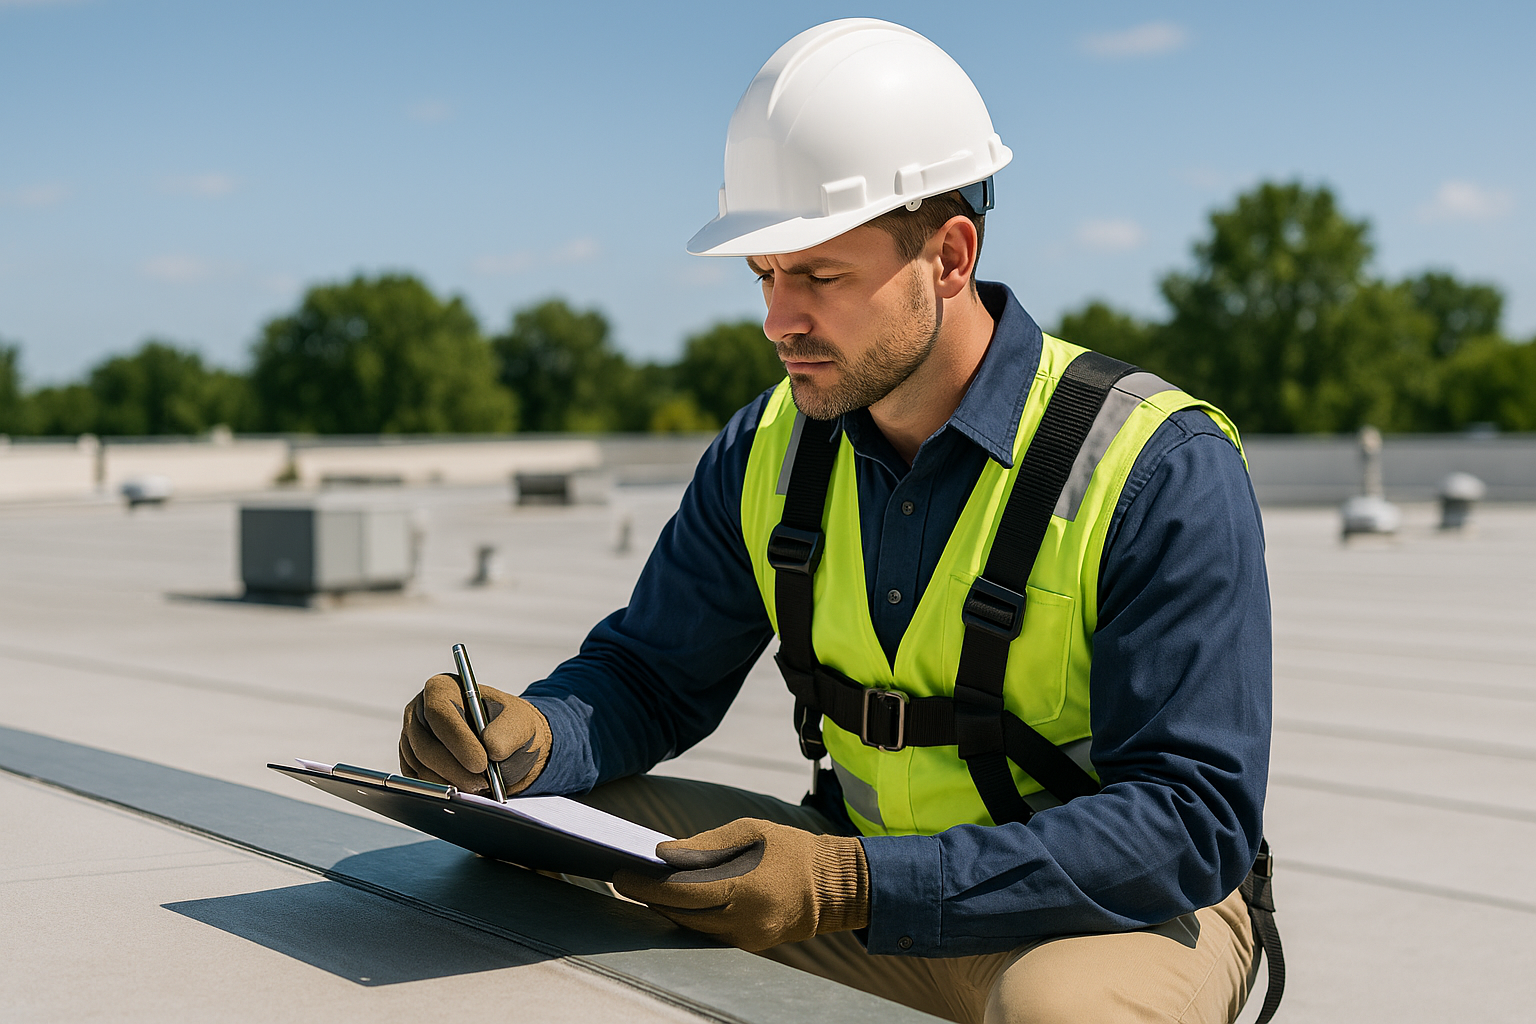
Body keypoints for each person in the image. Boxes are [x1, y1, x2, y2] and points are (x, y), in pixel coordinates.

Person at [399, 19, 1274, 1024]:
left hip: (1100, 916)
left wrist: (851, 882)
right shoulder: (771, 446)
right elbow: (651, 675)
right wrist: (531, 740)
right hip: (853, 884)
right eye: (764, 275)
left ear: (948, 256)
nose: (779, 322)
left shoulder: (1157, 466)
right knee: (527, 827)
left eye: (819, 276)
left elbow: (1189, 821)